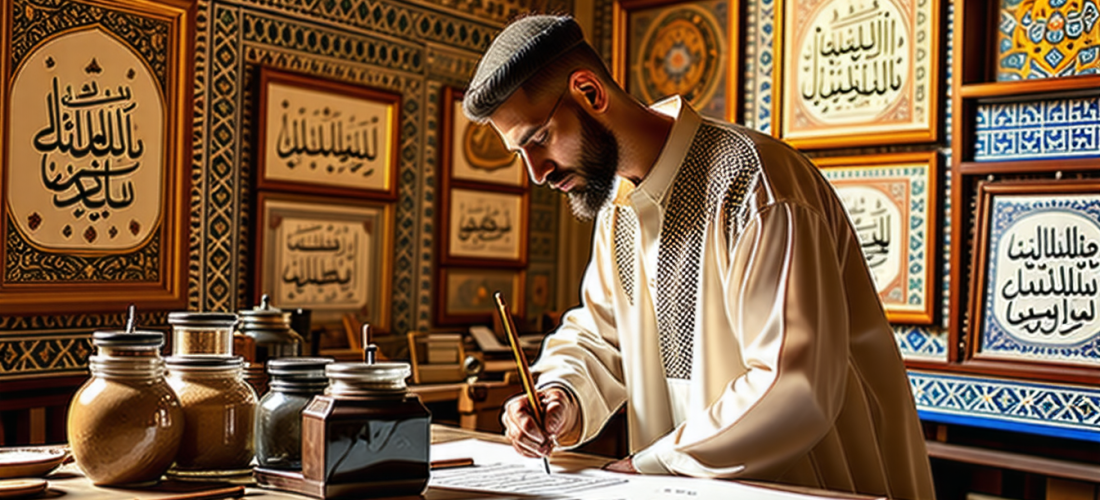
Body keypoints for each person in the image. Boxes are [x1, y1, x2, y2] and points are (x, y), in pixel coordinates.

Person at [463, 14, 936, 500]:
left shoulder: (756, 183)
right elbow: (601, 336)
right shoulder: (617, 208)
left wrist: (653, 464)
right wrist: (561, 395)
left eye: (538, 140)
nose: (537, 172)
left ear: (589, 92)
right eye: (520, 154)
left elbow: (793, 385)